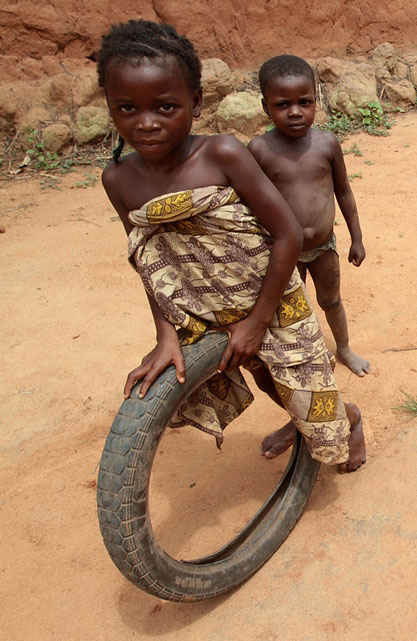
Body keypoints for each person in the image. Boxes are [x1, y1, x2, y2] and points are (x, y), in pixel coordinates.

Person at [97, 20, 366, 472]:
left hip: (274, 299)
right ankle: (301, 422)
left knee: (307, 388)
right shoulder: (118, 180)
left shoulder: (222, 154)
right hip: (209, 307)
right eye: (127, 108)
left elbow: (288, 234)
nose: (146, 122)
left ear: (196, 102)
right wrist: (166, 335)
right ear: (109, 108)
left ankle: (350, 419)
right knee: (268, 382)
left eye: (165, 106)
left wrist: (259, 320)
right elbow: (147, 261)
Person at [248, 55, 370, 381]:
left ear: (316, 100)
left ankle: (343, 348)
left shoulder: (326, 143)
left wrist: (357, 238)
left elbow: (343, 192)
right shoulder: (259, 150)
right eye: (282, 104)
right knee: (291, 309)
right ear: (265, 107)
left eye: (305, 102)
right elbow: (250, 202)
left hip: (323, 245)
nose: (295, 111)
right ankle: (303, 360)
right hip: (284, 250)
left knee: (331, 300)